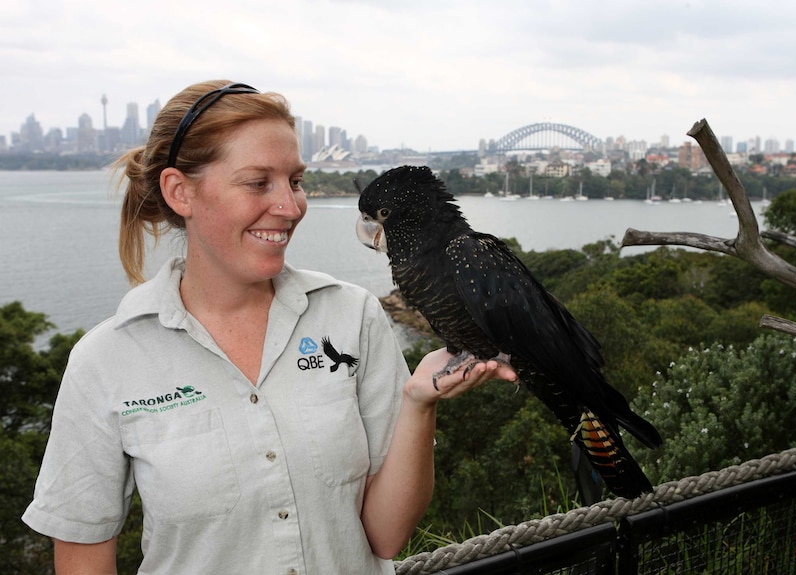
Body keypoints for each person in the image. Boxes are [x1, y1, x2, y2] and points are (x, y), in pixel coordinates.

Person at [22, 80, 515, 574]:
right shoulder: (107, 359)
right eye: (259, 183)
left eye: (295, 181)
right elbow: (84, 559)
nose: (291, 206)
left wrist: (417, 402)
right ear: (180, 192)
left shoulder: (352, 316)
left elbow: (385, 536)